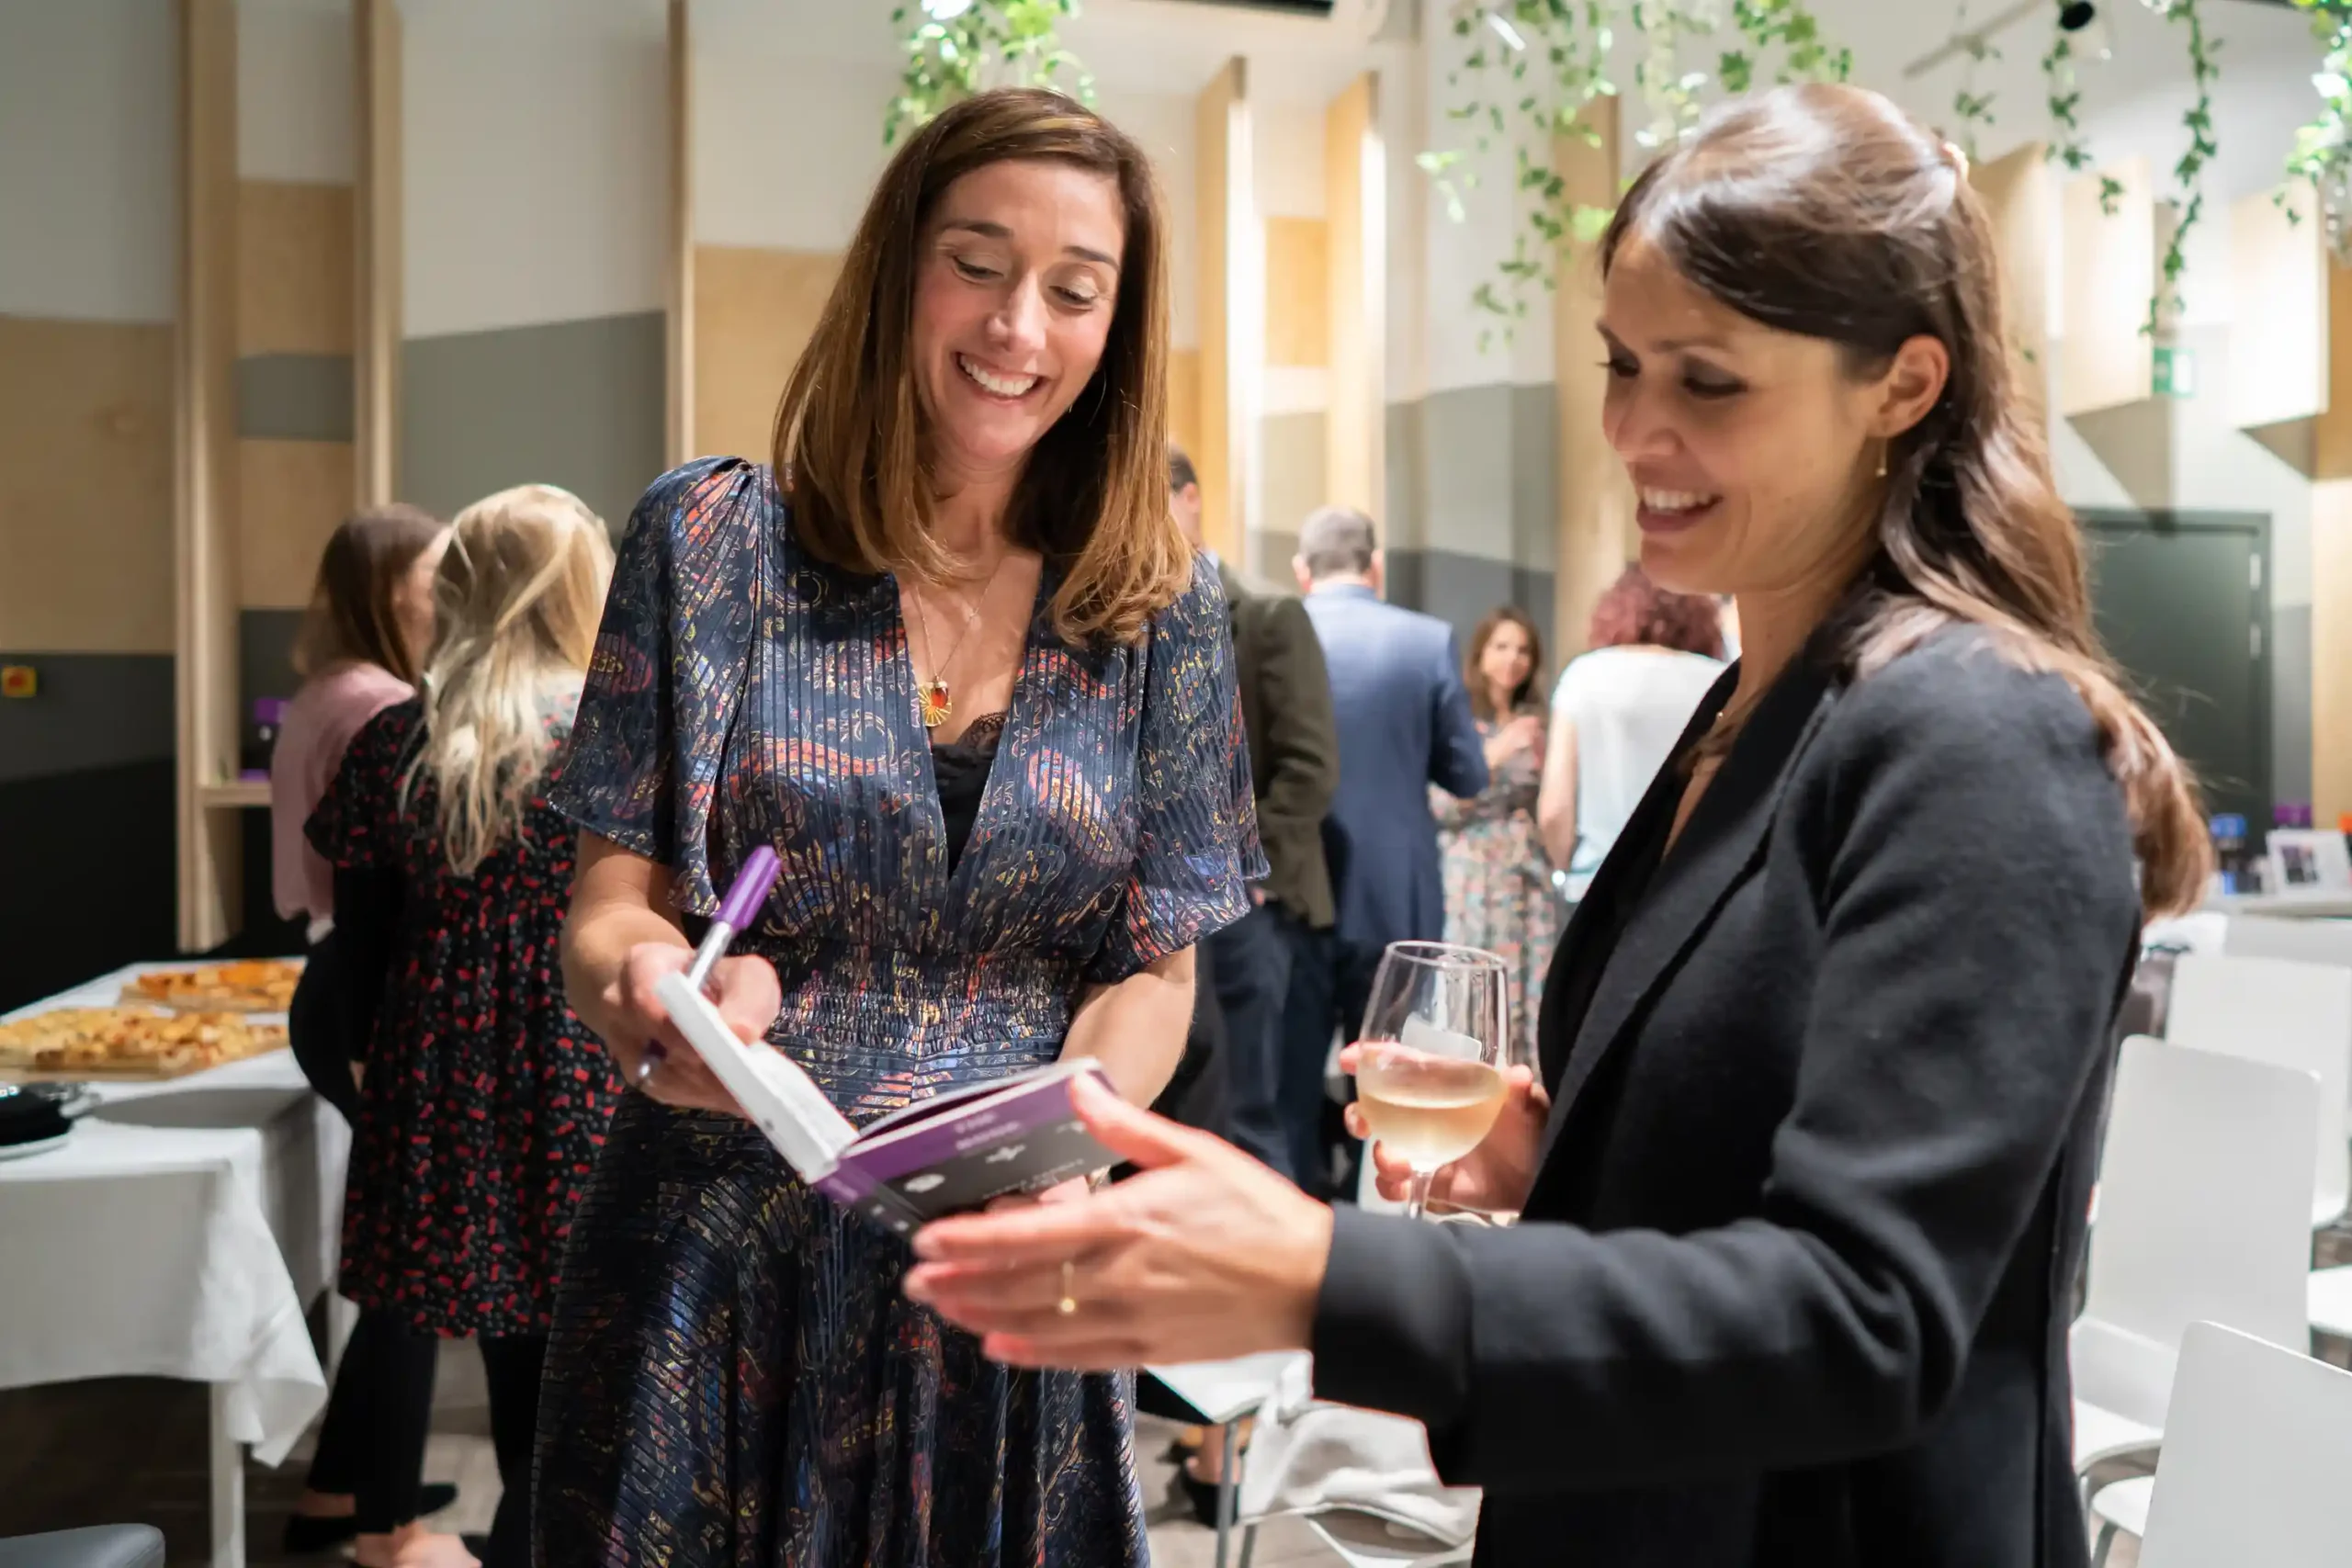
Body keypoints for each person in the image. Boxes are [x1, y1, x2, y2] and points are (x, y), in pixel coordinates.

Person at [898, 84, 2211, 1568]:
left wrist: (1329, 1272)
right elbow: (1752, 1163)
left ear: (1901, 386)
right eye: (1621, 364)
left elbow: (1871, 1316)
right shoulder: (1751, 707)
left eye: (1709, 381)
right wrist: (1571, 1153)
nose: (1635, 428)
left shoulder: (1976, 732)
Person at [535, 88, 1262, 1568]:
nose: (1018, 327)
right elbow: (609, 906)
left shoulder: (1163, 606)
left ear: (1119, 327)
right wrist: (654, 984)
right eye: (977, 265)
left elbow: (1156, 969)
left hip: (1004, 1265)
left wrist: (1074, 1130)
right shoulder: (714, 542)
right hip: (715, 1256)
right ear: (898, 273)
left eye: (1075, 290)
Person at [309, 484, 622, 1568]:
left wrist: (370, 1060)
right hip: (583, 1052)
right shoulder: (608, 732)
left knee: (494, 1323)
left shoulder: (403, 735)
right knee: (574, 1345)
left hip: (439, 1056)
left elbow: (360, 933)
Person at [267, 503, 467, 1562]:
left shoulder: (331, 689)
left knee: (406, 1260)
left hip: (340, 974)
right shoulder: (381, 706)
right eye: (436, 573)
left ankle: (341, 1491)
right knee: (410, 1265)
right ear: (392, 589)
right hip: (367, 982)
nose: (449, 591)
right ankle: (386, 1521)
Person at [1287, 506, 1487, 1197]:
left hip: (1290, 891)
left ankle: (1301, 1216)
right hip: (1394, 896)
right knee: (1391, 1082)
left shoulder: (1272, 630)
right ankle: (1374, 1216)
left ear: (1302, 571)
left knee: (1286, 1080)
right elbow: (1468, 774)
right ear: (1375, 567)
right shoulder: (1426, 641)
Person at [1168, 445, 1339, 1180]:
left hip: (1245, 903)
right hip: (1159, 908)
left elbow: (1309, 765)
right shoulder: (1124, 614)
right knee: (1181, 1113)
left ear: (1191, 498)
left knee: (1251, 1110)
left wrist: (1247, 863)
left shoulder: (1268, 613)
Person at [1535, 567, 1724, 906]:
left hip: (1597, 883)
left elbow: (1554, 809)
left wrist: (1565, 872)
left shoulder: (1585, 674)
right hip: (1693, 885)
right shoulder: (1721, 681)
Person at [1435, 606, 1555, 1066]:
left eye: (1523, 650)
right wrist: (1495, 754)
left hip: (1526, 871)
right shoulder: (1459, 719)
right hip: (1473, 871)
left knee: (1528, 983)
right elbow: (1440, 805)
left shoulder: (1536, 719)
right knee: (1472, 986)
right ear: (1481, 654)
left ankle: (1522, 1088)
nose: (1513, 659)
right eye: (1502, 647)